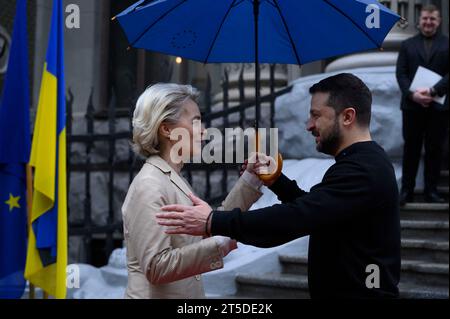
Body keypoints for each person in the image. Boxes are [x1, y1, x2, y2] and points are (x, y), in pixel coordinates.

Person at [157, 73, 401, 299]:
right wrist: (275, 180)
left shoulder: (362, 170)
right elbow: (320, 212)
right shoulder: (363, 162)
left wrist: (213, 221)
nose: (308, 125)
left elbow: (296, 218)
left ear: (347, 116)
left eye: (316, 115)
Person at [123, 83, 263, 298]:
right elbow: (156, 266)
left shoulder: (171, 177)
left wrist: (251, 179)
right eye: (196, 121)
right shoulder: (150, 184)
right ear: (167, 129)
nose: (204, 131)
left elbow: (207, 225)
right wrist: (220, 243)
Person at [396, 4, 449, 205]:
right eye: (425, 18)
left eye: (432, 19)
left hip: (439, 107)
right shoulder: (407, 44)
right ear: (419, 21)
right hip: (412, 107)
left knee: (435, 150)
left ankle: (431, 191)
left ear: (439, 21)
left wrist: (434, 91)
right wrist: (412, 94)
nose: (428, 22)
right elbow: (401, 73)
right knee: (411, 149)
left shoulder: (447, 44)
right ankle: (406, 191)